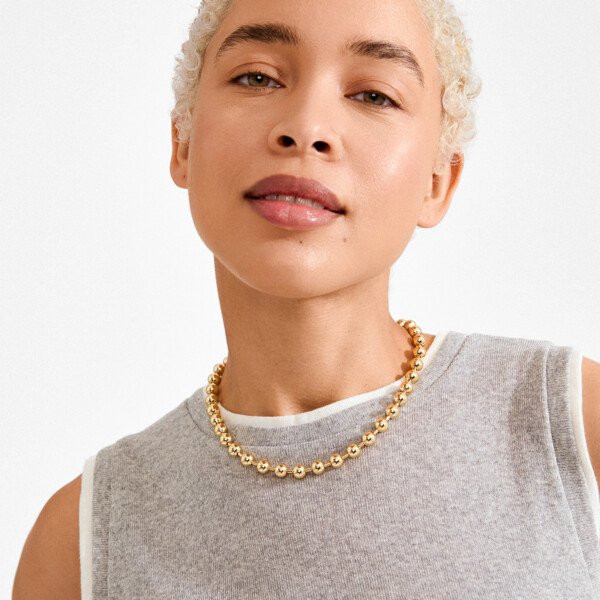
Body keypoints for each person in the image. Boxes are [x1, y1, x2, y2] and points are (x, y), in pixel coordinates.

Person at [13, 0, 600, 597]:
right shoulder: (81, 544)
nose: (306, 126)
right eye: (257, 77)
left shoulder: (573, 428)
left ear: (437, 182)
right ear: (182, 141)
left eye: (373, 95)